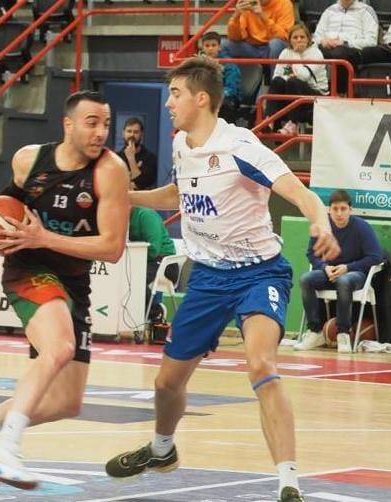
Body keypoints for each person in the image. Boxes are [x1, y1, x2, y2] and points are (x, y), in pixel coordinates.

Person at [102, 57, 339, 502]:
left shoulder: (241, 147)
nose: (168, 103)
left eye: (175, 94)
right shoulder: (180, 143)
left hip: (259, 273)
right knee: (166, 383)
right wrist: (126, 196)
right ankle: (162, 449)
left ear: (201, 98)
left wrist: (321, 224)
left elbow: (300, 192)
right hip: (209, 277)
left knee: (261, 364)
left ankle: (288, 482)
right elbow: (178, 193)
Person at [0, 90, 130, 491]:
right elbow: (4, 210)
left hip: (73, 278)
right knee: (59, 348)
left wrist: (44, 238)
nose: (101, 132)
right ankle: (6, 449)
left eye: (106, 123)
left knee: (65, 403)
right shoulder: (29, 160)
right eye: (92, 123)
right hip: (29, 269)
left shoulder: (111, 170)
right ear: (68, 124)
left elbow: (111, 248)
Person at [295, 189, 383, 353]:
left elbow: (376, 257)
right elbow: (311, 254)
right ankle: (315, 331)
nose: (339, 213)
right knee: (306, 279)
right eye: (335, 209)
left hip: (354, 273)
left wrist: (348, 268)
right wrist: (324, 267)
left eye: (343, 209)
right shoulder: (323, 227)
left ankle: (343, 333)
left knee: (344, 281)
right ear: (329, 210)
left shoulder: (362, 227)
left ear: (350, 210)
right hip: (329, 271)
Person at [268, 23, 329, 135]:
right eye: (295, 38)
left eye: (302, 37)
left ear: (308, 39)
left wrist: (296, 55)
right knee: (278, 82)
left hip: (316, 95)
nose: (299, 40)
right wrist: (289, 73)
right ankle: (270, 120)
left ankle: (293, 123)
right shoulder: (285, 52)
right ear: (290, 40)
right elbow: (277, 75)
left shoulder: (316, 53)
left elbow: (304, 76)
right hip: (292, 91)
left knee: (293, 82)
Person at [313, 0, 379, 94]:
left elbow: (371, 41)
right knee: (311, 51)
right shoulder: (329, 10)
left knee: (339, 53)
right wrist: (323, 41)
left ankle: (340, 93)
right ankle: (315, 92)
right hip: (327, 46)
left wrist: (345, 43)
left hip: (352, 49)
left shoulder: (366, 11)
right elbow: (316, 37)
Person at [129, 205, 177, 322]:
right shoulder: (118, 218)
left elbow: (154, 249)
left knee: (134, 278)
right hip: (141, 261)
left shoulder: (146, 215)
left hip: (165, 262)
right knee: (123, 276)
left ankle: (155, 313)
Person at [222, 0, 293, 63]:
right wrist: (236, 17)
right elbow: (234, 38)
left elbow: (285, 36)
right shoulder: (247, 2)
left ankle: (274, 77)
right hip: (251, 47)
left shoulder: (284, 3)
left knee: (275, 44)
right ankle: (232, 75)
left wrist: (262, 16)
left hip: (272, 47)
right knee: (223, 45)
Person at [200, 31, 241, 125]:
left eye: (213, 45)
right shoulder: (198, 64)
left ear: (219, 47)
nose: (210, 48)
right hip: (205, 98)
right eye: (207, 45)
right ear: (202, 48)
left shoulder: (229, 65)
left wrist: (213, 96)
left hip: (225, 99)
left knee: (225, 103)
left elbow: (231, 90)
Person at [116, 117, 158, 191]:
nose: (132, 135)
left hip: (142, 201)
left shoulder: (150, 158)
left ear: (141, 134)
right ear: (123, 133)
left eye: (136, 132)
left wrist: (131, 159)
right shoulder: (116, 158)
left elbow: (141, 184)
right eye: (129, 131)